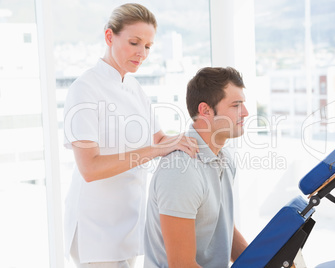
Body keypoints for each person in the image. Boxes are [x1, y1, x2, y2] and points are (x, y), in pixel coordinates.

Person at [63, 3, 198, 267]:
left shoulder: (134, 87)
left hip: (126, 223)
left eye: (148, 46)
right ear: (109, 36)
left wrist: (199, 139)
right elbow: (90, 168)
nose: (142, 53)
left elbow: (158, 140)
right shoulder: (85, 89)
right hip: (96, 230)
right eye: (134, 43)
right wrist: (156, 150)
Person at [144, 67, 250, 268]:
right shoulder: (181, 171)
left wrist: (263, 261)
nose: (245, 112)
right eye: (236, 105)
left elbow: (224, 228)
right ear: (205, 111)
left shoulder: (224, 159)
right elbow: (181, 265)